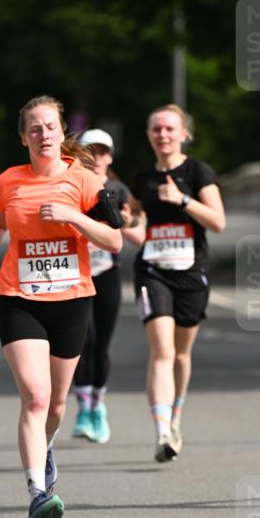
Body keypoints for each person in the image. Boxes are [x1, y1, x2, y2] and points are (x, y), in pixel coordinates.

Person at [0, 96, 123, 518]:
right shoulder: (9, 181)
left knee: (57, 404)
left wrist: (73, 216)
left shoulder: (85, 181)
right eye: (35, 129)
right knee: (36, 397)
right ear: (24, 138)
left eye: (50, 127)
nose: (43, 134)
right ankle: (38, 493)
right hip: (19, 299)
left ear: (62, 133)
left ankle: (46, 447)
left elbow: (114, 240)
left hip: (72, 301)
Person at [130, 104, 225, 462]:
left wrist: (183, 200)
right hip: (152, 271)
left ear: (184, 134)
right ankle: (161, 431)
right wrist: (126, 222)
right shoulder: (142, 178)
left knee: (182, 354)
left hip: (190, 273)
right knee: (162, 351)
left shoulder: (198, 172)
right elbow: (135, 217)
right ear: (148, 135)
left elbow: (218, 222)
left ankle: (175, 418)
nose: (163, 135)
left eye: (170, 129)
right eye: (156, 129)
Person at [71, 128, 145, 443]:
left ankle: (97, 406)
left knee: (101, 345)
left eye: (101, 151)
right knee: (82, 343)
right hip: (74, 276)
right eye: (89, 151)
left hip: (106, 274)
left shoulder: (119, 190)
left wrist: (122, 221)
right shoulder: (69, 185)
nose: (95, 157)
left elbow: (140, 236)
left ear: (110, 157)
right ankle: (83, 409)